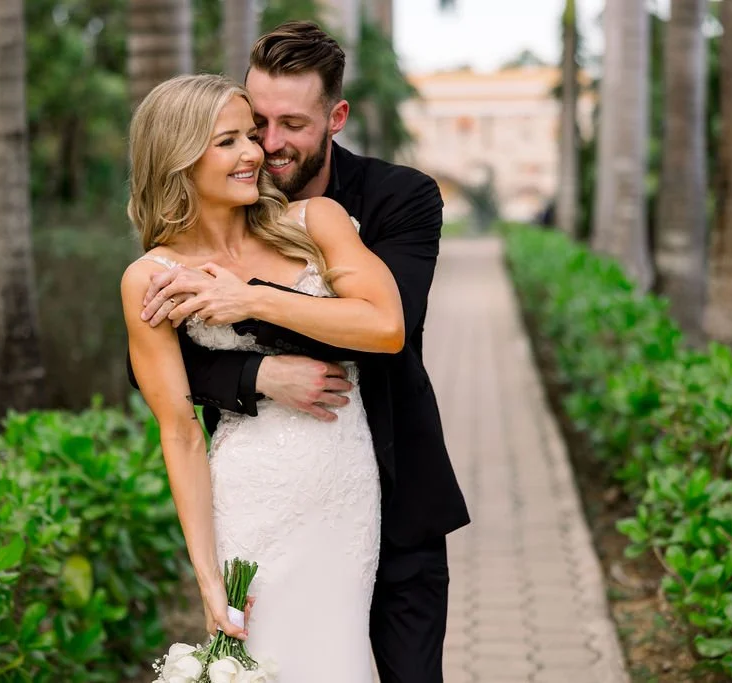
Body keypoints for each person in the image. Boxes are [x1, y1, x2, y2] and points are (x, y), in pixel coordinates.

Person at [136, 21, 470, 683]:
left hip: (393, 490)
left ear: (335, 118)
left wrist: (249, 299)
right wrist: (258, 373)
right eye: (251, 124)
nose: (265, 145)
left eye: (290, 124)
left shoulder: (396, 198)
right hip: (261, 496)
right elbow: (158, 375)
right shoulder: (180, 251)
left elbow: (387, 328)